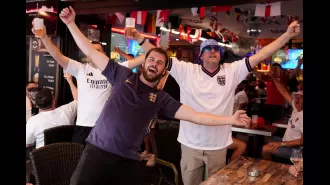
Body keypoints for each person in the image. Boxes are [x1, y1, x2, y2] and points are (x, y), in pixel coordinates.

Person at [59, 6, 250, 185]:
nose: (154, 64)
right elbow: (90, 52)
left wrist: (230, 119)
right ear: (143, 63)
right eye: (151, 59)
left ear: (163, 71)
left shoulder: (161, 98)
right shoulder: (121, 74)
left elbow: (197, 116)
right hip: (97, 151)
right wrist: (70, 24)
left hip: (128, 159)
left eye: (160, 63)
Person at [129, 18, 300, 184]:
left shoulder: (232, 71)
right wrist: (138, 38)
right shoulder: (187, 71)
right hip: (190, 145)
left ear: (220, 55)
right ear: (201, 56)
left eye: (216, 49)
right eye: (208, 49)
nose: (213, 51)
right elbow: (158, 56)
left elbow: (261, 55)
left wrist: (286, 36)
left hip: (218, 146)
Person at [31, 24, 142, 145]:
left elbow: (139, 60)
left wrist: (145, 43)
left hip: (106, 127)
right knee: (78, 161)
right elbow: (57, 55)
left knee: (103, 162)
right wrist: (44, 37)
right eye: (91, 51)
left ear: (103, 54)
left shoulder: (114, 69)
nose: (94, 54)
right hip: (83, 126)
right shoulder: (80, 69)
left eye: (98, 51)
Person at [26, 74, 78, 149]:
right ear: (53, 101)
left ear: (37, 104)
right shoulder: (67, 111)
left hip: (42, 158)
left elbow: (28, 143)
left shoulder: (33, 121)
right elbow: (78, 100)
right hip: (67, 154)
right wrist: (70, 81)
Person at [261, 78, 303, 160]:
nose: (297, 99)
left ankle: (269, 169)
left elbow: (301, 141)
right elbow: (283, 91)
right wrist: (274, 78)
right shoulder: (296, 107)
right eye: (296, 96)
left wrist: (281, 144)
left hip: (296, 150)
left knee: (265, 149)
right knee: (262, 139)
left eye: (300, 97)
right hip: (285, 142)